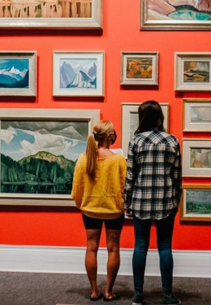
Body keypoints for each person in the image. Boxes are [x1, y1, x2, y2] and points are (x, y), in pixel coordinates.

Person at [124, 101, 182, 305]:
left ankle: (138, 295)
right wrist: (177, 200)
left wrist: (127, 201)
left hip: (140, 199)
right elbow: (176, 176)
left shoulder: (136, 141)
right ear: (160, 117)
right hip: (166, 199)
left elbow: (130, 175)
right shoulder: (172, 140)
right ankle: (167, 296)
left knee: (140, 246)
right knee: (165, 247)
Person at [71, 120, 126, 302]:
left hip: (90, 210)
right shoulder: (118, 160)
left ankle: (94, 291)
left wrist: (83, 205)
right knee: (113, 248)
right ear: (110, 137)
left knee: (91, 248)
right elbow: (124, 186)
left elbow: (77, 187)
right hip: (114, 211)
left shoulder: (83, 158)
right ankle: (109, 291)